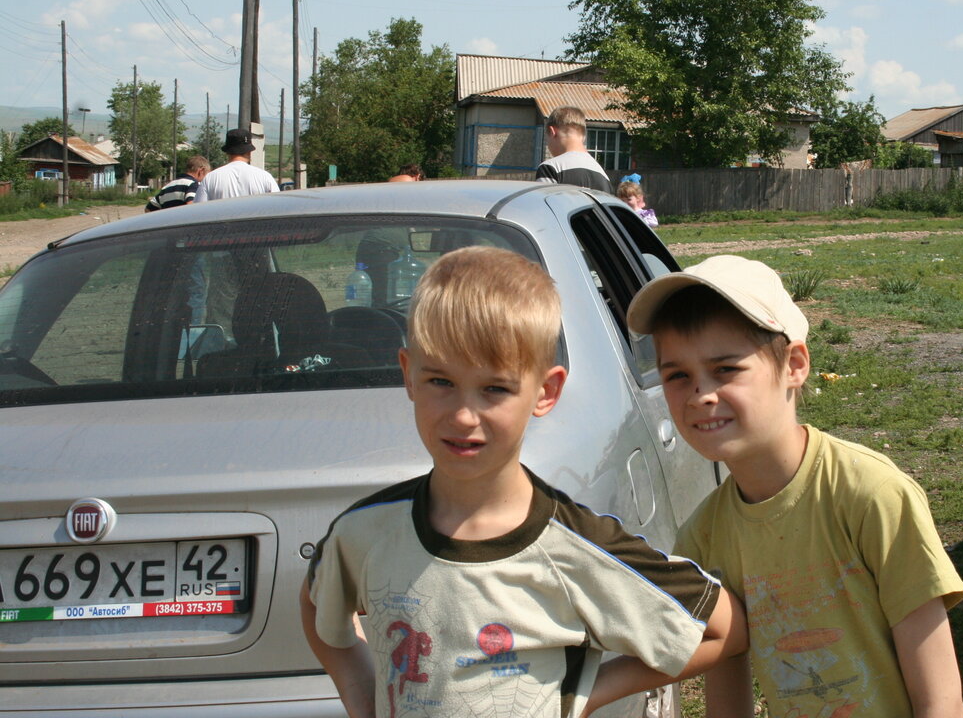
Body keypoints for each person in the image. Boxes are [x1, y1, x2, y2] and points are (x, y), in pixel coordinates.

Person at [300, 246, 746, 718]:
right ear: (409, 375)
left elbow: (725, 630)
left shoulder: (577, 547)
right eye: (440, 382)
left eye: (495, 388)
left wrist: (585, 694)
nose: (463, 415)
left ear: (546, 391)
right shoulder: (364, 531)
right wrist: (357, 689)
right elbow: (316, 601)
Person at [626, 255, 963, 718]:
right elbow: (727, 688)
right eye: (677, 375)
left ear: (794, 365)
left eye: (725, 369)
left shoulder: (872, 495)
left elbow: (942, 700)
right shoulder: (704, 537)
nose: (700, 394)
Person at [535, 106, 611, 192]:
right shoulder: (604, 177)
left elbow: (544, 204)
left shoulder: (550, 169)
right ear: (584, 137)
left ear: (552, 132)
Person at [193, 128, 280, 201]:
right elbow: (277, 207)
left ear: (227, 152)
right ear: (249, 152)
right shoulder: (265, 177)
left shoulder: (210, 178)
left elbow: (199, 210)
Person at [145, 155, 210, 211]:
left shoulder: (167, 187)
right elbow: (191, 205)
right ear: (201, 171)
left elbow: (148, 209)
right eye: (207, 174)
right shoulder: (193, 185)